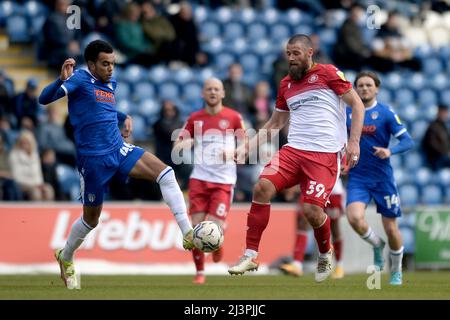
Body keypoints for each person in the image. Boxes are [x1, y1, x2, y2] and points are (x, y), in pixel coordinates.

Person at [38, 39, 194, 290]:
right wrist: (60, 81)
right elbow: (44, 100)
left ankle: (188, 233)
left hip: (118, 149)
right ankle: (65, 256)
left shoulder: (110, 83)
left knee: (165, 173)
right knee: (91, 220)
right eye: (105, 64)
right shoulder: (78, 79)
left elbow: (105, 109)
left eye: (113, 63)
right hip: (93, 161)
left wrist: (124, 116)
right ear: (91, 64)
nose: (111, 68)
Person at [227, 34, 365, 283]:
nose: (291, 58)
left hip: (323, 154)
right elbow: (275, 123)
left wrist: (354, 141)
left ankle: (325, 253)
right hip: (293, 151)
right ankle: (250, 255)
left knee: (312, 211)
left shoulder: (328, 73)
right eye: (288, 54)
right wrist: (246, 147)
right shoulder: (286, 84)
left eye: (295, 53)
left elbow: (357, 105)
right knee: (262, 187)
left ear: (309, 53)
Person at [346, 71, 414, 286]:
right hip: (358, 176)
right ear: (355, 89)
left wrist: (390, 151)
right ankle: (376, 245)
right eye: (360, 85)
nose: (364, 89)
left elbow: (407, 141)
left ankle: (396, 271)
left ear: (376, 89)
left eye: (368, 85)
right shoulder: (347, 113)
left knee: (391, 228)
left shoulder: (385, 113)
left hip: (383, 179)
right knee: (354, 218)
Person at [174, 78, 245, 284]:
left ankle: (218, 239)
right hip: (200, 179)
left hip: (223, 181)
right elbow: (177, 148)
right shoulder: (195, 118)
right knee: (196, 227)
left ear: (223, 93)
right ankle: (200, 272)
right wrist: (190, 141)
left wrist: (233, 152)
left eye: (216, 89)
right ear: (203, 94)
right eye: (209, 89)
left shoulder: (233, 117)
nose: (213, 92)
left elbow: (246, 145)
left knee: (215, 225)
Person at [280, 177, 346, 279]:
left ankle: (339, 266)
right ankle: (297, 264)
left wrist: (343, 166)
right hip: (312, 187)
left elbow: (344, 166)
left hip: (332, 189)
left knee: (334, 228)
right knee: (303, 222)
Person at [421, 104, 450, 171]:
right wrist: (446, 152)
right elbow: (432, 145)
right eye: (444, 112)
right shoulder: (433, 127)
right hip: (436, 158)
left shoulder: (444, 127)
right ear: (439, 113)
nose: (446, 115)